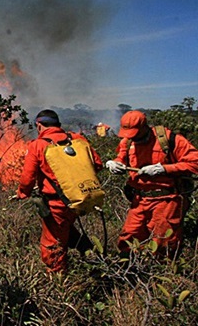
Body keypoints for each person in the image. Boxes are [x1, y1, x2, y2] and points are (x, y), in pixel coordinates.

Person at [16, 109, 103, 273]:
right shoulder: (77, 139)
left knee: (53, 244)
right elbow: (97, 164)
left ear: (39, 125)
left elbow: (27, 178)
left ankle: (58, 280)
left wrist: (22, 193)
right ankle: (87, 249)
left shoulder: (38, 145)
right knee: (67, 228)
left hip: (57, 204)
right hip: (79, 197)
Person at [105, 110, 198, 258]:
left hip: (166, 200)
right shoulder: (127, 141)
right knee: (129, 237)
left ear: (144, 128)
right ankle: (129, 273)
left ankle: (164, 276)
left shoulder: (169, 139)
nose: (132, 137)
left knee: (164, 242)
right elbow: (121, 157)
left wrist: (164, 169)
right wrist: (115, 164)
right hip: (139, 200)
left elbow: (195, 163)